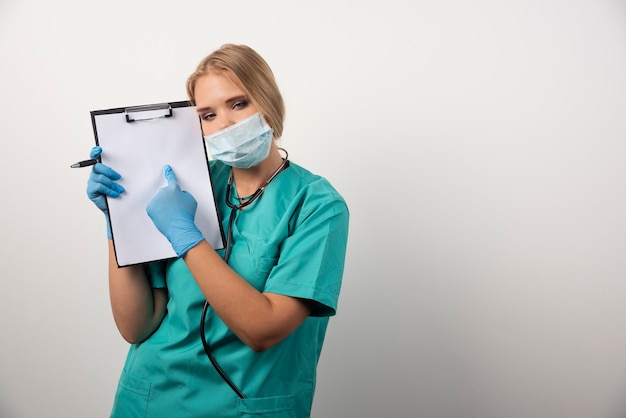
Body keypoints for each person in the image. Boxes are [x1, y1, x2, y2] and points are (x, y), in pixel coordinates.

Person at [85, 43, 350, 417]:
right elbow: (136, 325)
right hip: (149, 400)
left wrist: (187, 237)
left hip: (244, 404)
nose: (224, 124)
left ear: (269, 102)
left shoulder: (318, 205)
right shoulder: (185, 184)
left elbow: (264, 329)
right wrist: (120, 219)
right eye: (207, 115)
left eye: (239, 104)